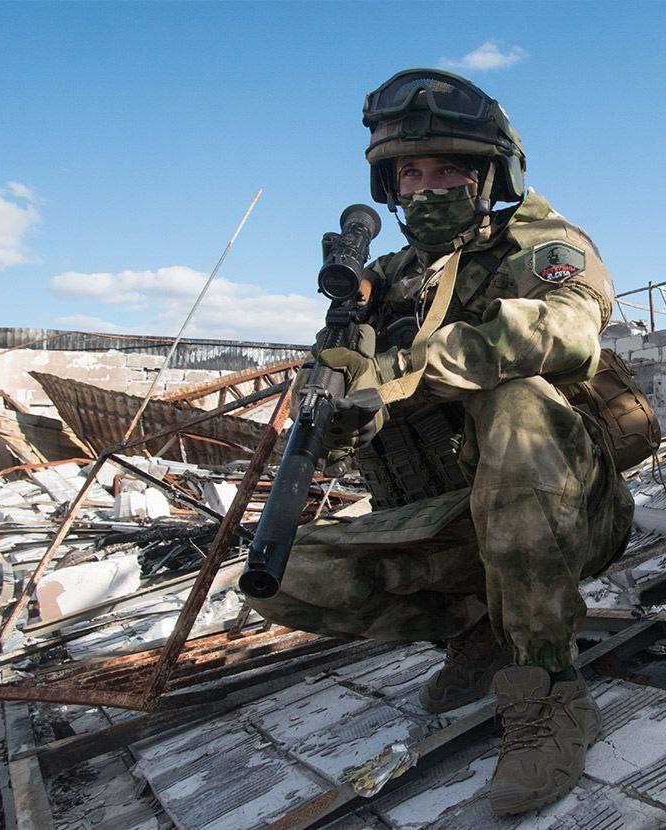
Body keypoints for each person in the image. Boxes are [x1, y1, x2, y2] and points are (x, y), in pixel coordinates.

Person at [247, 68, 636, 815]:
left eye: (448, 170)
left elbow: (570, 325)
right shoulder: (385, 280)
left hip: (566, 508)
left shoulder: (537, 240)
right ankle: (479, 630)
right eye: (411, 173)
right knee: (283, 575)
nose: (427, 188)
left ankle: (550, 690)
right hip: (457, 524)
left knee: (519, 405)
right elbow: (345, 417)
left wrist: (404, 370)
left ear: (490, 174)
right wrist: (336, 406)